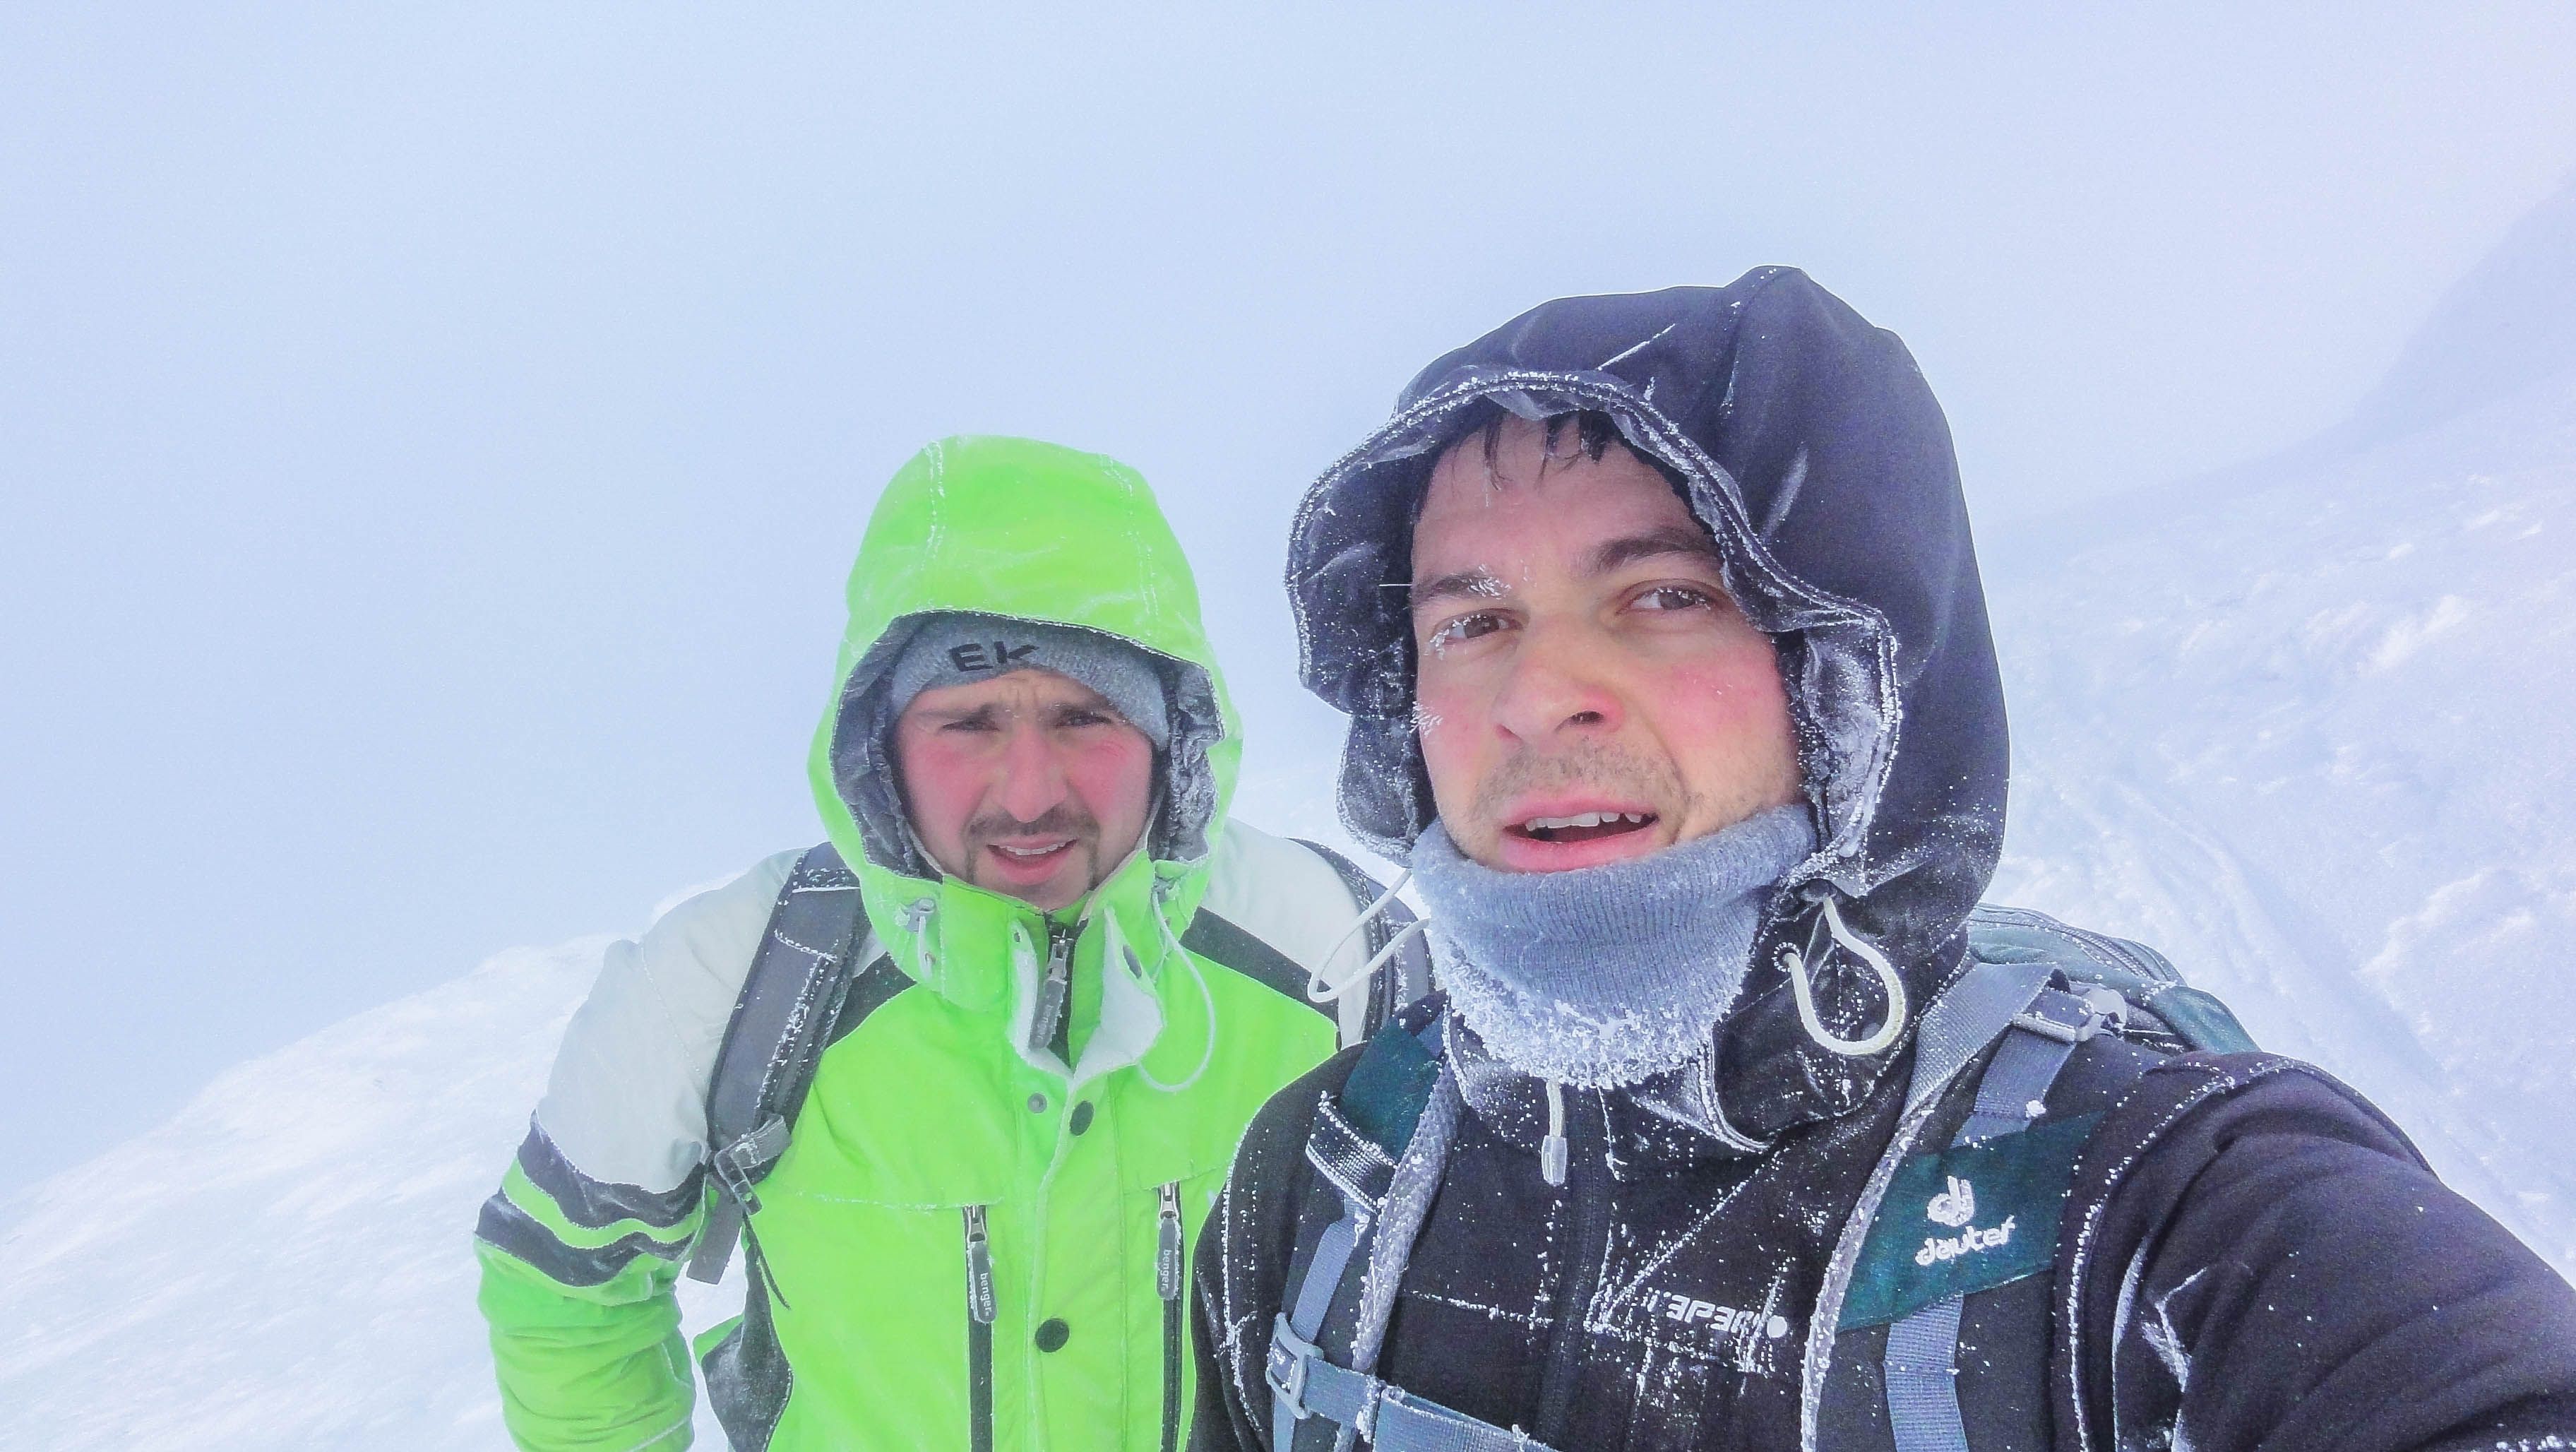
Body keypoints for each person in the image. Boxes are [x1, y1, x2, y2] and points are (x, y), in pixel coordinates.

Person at [1190, 273, 2576, 1451]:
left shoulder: (2146, 1203)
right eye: (1470, 620)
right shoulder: (1315, 1178)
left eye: (1666, 594)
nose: (1538, 691)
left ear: (1857, 674)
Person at [475, 435, 1424, 1451]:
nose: (1028, 793)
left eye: (1084, 716)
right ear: (877, 745)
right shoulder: (735, 977)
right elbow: (566, 1290)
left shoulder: (1334, 951)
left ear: (1170, 735)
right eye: (967, 722)